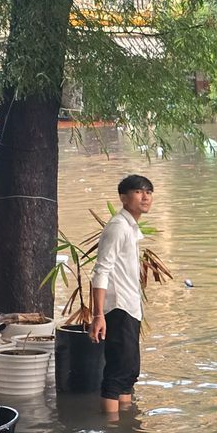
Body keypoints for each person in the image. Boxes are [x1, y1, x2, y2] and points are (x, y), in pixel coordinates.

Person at [90, 174, 154, 413]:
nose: (145, 196)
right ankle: (112, 427)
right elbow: (101, 270)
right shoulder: (118, 227)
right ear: (123, 198)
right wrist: (99, 315)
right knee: (117, 373)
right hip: (119, 307)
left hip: (131, 307)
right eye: (138, 191)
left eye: (148, 192)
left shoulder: (130, 227)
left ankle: (126, 421)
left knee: (129, 371)